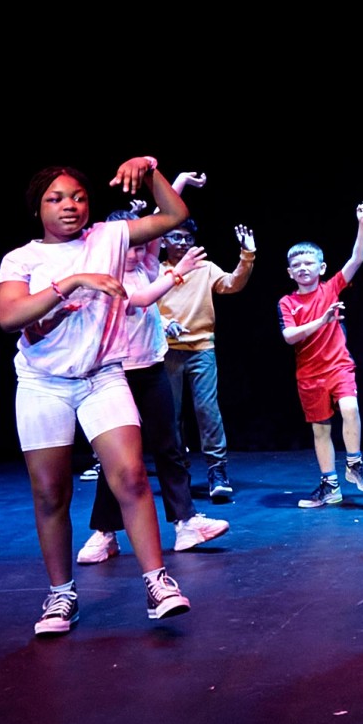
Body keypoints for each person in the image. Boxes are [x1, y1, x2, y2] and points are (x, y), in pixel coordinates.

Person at [0, 157, 198, 635]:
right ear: (38, 208)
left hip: (102, 375)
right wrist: (73, 282)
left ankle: (157, 583)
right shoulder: (22, 259)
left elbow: (175, 215)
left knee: (131, 475)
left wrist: (150, 169)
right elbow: (9, 317)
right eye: (56, 199)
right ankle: (61, 594)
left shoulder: (109, 236)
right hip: (43, 382)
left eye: (79, 197)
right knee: (50, 493)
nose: (70, 205)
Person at [75, 203, 230, 566]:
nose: (136, 253)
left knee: (170, 447)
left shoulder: (145, 266)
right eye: (128, 247)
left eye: (140, 245)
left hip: (152, 367)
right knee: (119, 458)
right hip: (116, 374)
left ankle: (186, 523)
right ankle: (105, 533)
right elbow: (142, 300)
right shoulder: (105, 276)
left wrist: (178, 184)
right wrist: (179, 272)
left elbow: (161, 226)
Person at [278, 204, 363, 508]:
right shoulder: (287, 302)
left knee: (350, 407)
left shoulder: (331, 288)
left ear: (321, 268)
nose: (303, 268)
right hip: (309, 375)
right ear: (290, 272)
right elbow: (289, 336)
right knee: (321, 430)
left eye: (309, 263)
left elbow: (356, 259)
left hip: (339, 367)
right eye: (296, 265)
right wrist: (322, 321)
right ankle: (330, 485)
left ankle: (354, 464)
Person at [155, 214, 255, 504]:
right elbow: (144, 304)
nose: (182, 242)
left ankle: (217, 469)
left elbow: (232, 284)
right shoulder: (155, 270)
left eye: (188, 238)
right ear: (163, 241)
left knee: (207, 410)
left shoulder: (204, 268)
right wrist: (164, 324)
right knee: (170, 414)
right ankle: (178, 471)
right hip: (166, 351)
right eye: (176, 237)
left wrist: (247, 255)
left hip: (201, 348)